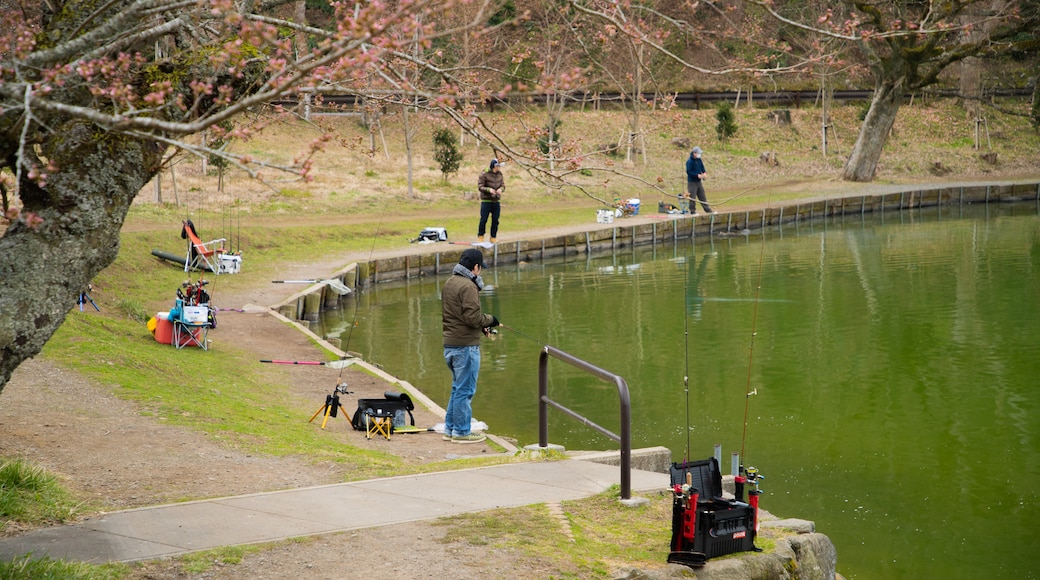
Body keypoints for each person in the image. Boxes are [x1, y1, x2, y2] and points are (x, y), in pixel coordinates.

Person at [441, 248, 501, 443]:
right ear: (475, 267)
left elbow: (459, 317)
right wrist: (491, 320)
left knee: (457, 389)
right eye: (480, 267)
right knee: (465, 390)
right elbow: (472, 317)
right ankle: (462, 432)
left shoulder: (450, 282)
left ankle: (450, 429)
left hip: (451, 344)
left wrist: (480, 328)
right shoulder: (468, 286)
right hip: (465, 347)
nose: (480, 271)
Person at [477, 158, 505, 243]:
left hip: (496, 201)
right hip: (486, 201)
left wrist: (501, 189)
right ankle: (480, 236)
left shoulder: (500, 174)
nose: (499, 167)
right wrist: (489, 190)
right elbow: (480, 187)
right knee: (484, 219)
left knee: (495, 220)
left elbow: (503, 185)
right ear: (494, 166)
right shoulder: (484, 174)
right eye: (498, 166)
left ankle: (493, 237)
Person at [685, 146, 714, 214]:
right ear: (694, 153)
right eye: (698, 153)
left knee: (702, 196)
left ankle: (708, 210)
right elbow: (689, 171)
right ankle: (692, 211)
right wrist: (697, 175)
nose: (699, 155)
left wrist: (704, 173)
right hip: (692, 182)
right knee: (692, 197)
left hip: (699, 182)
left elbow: (702, 168)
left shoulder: (699, 160)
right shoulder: (689, 161)